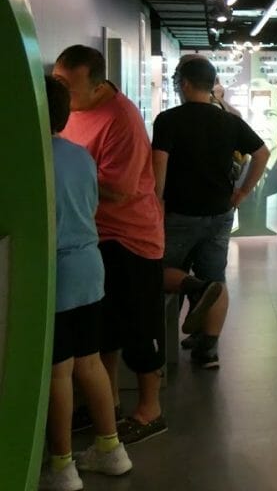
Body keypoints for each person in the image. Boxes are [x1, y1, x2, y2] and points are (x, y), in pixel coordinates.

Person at [52, 45, 167, 445]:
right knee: (104, 332)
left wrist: (71, 177)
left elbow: (118, 190)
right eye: (58, 82)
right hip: (91, 237)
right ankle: (109, 404)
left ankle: (150, 408)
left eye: (68, 85)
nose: (62, 92)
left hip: (130, 237)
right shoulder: (70, 114)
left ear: (97, 84)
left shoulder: (121, 118)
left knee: (140, 326)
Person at [40, 77, 132, 491]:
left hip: (55, 273)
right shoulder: (80, 156)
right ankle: (110, 449)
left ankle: (61, 466)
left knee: (58, 372)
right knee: (89, 361)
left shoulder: (30, 157)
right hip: (90, 268)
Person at [152, 56, 270, 368]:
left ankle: (167, 339)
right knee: (215, 276)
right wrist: (243, 191)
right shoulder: (229, 121)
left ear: (185, 84)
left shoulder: (168, 120)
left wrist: (155, 202)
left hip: (179, 213)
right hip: (220, 212)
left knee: (162, 273)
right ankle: (208, 349)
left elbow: (159, 169)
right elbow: (261, 153)